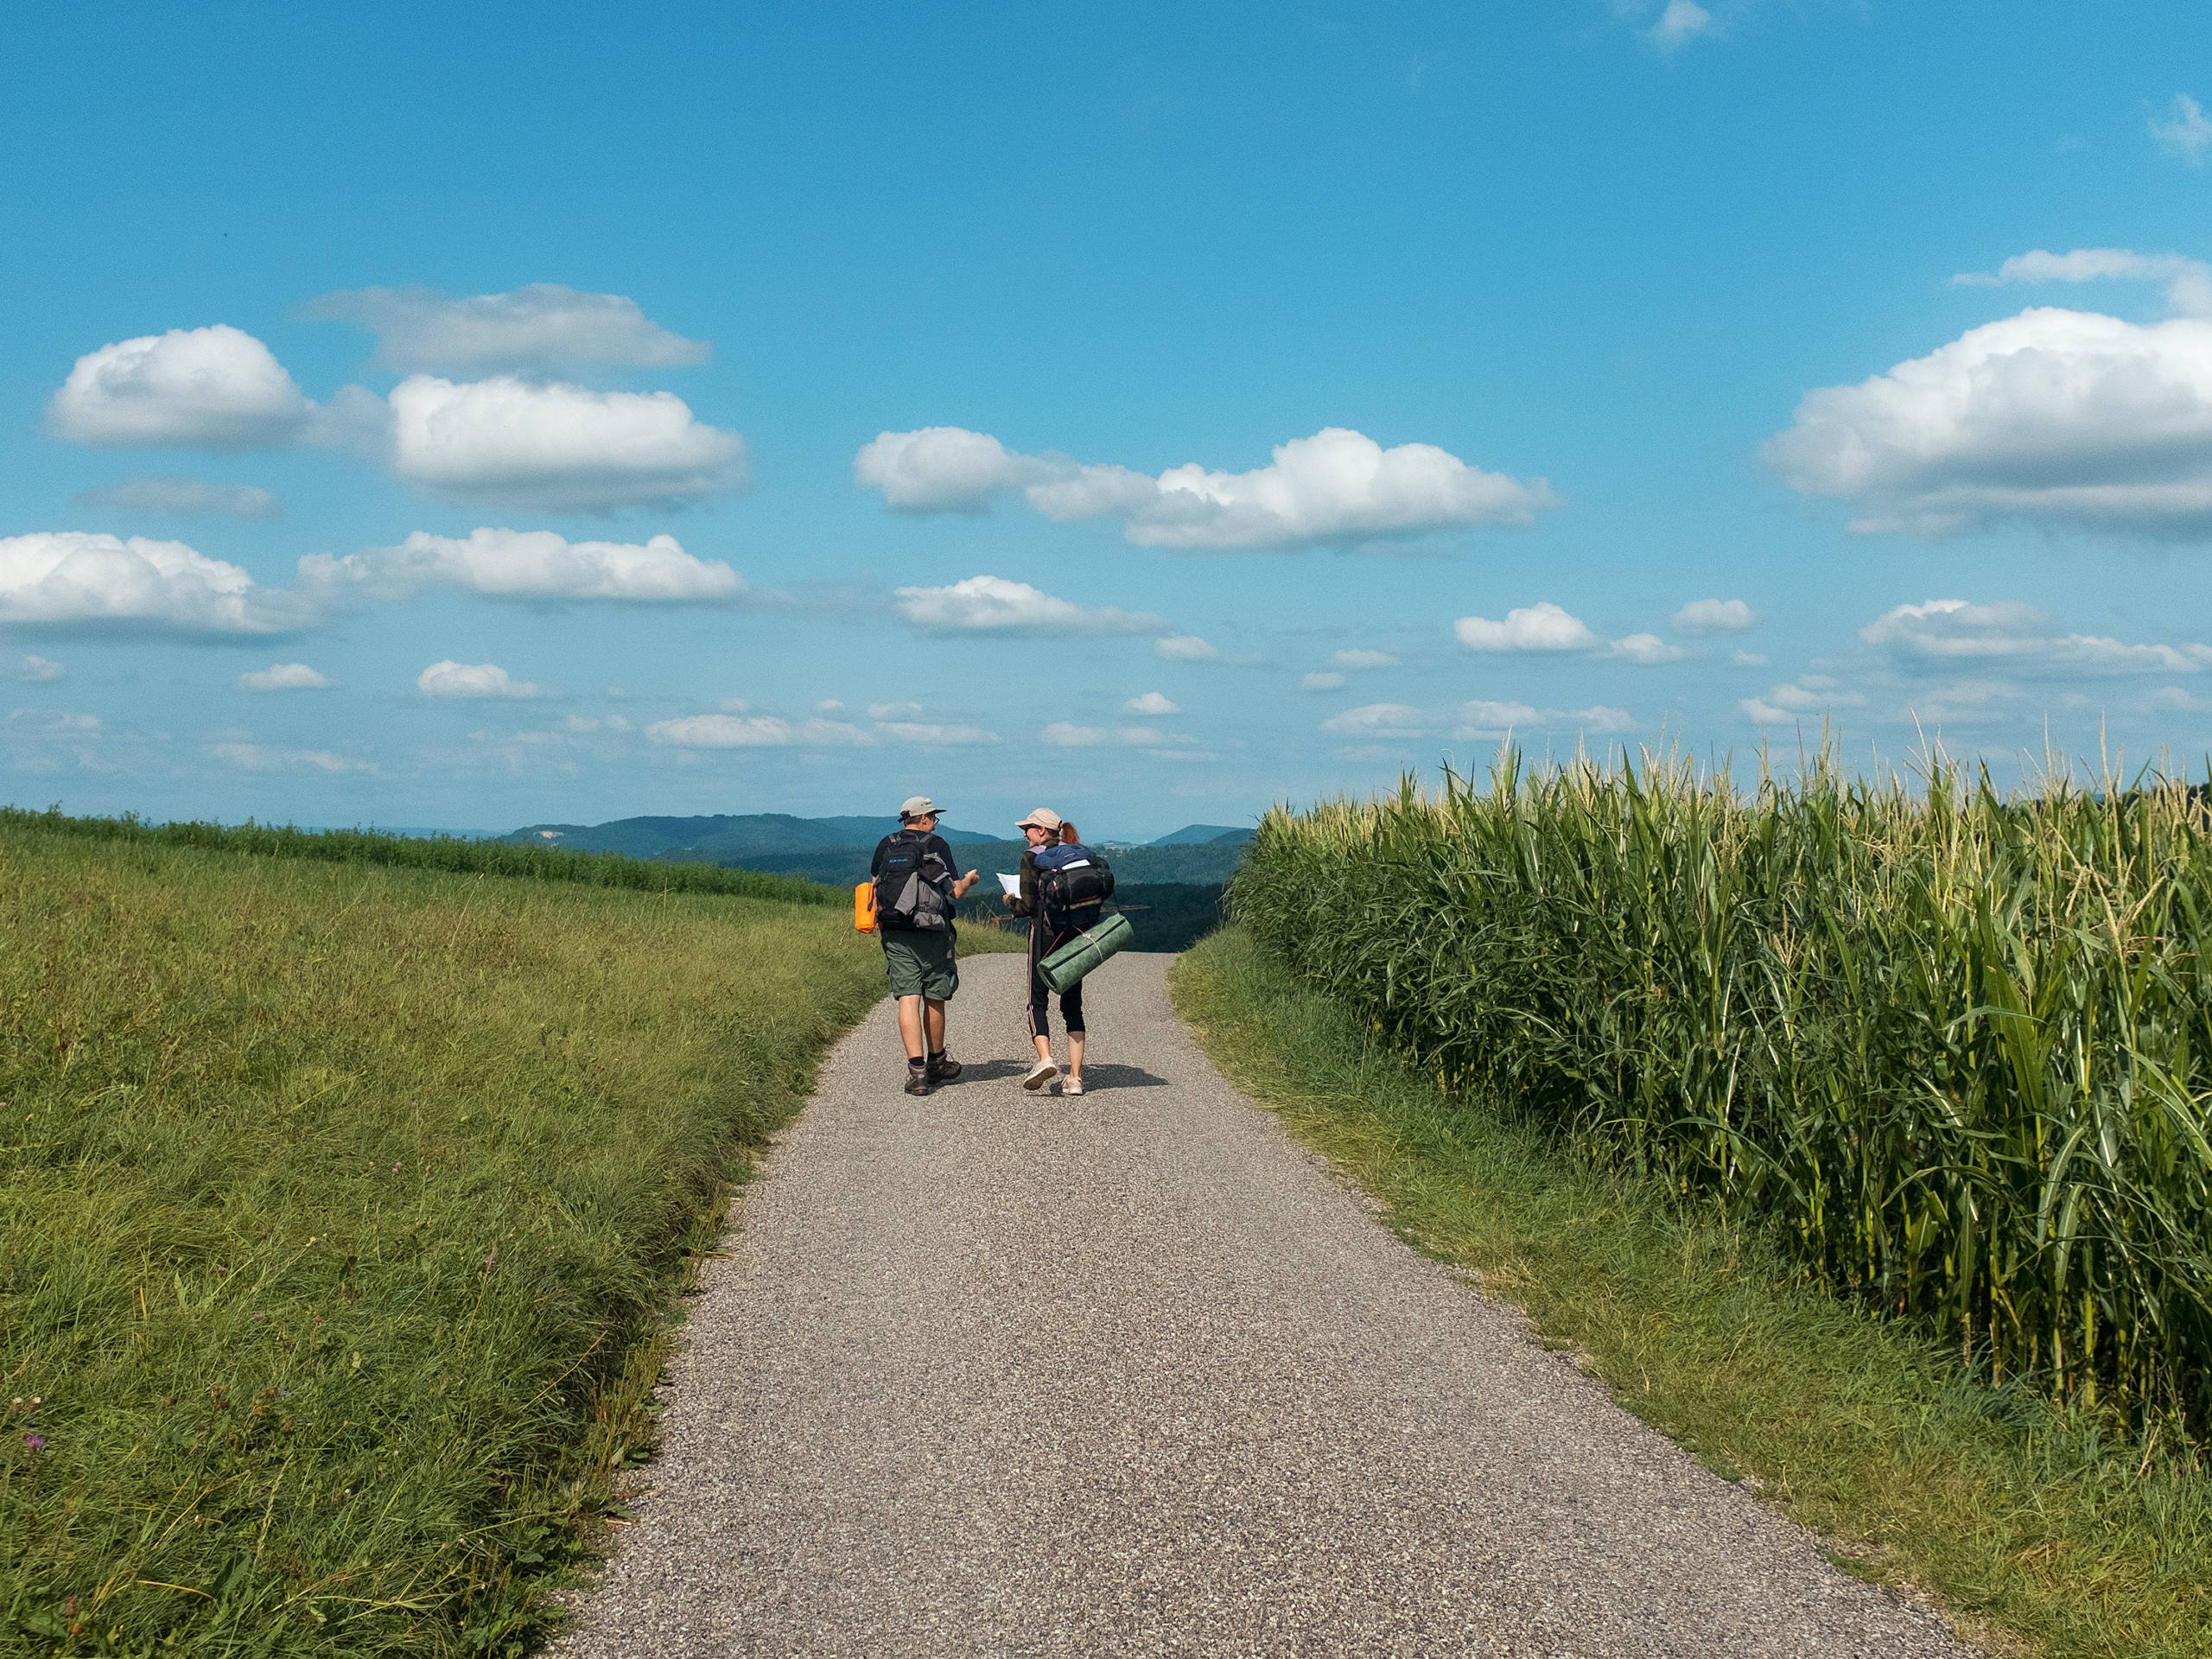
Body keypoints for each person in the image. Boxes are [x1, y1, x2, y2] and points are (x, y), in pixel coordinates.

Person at [871, 796, 979, 1096]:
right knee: (934, 994)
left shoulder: (887, 844)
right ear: (925, 818)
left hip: (894, 929)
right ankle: (937, 1062)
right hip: (932, 930)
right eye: (934, 817)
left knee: (907, 995)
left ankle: (916, 1073)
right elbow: (955, 891)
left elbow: (874, 882)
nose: (935, 821)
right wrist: (970, 880)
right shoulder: (936, 844)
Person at [1002, 807, 1112, 1096]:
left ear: (1041, 830)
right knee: (1072, 1006)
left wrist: (1009, 901)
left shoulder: (1032, 858)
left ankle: (1046, 1059)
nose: (1024, 833)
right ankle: (1075, 1078)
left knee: (1035, 1002)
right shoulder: (1078, 853)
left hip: (1045, 937)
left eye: (1027, 828)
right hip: (1076, 937)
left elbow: (1027, 907)